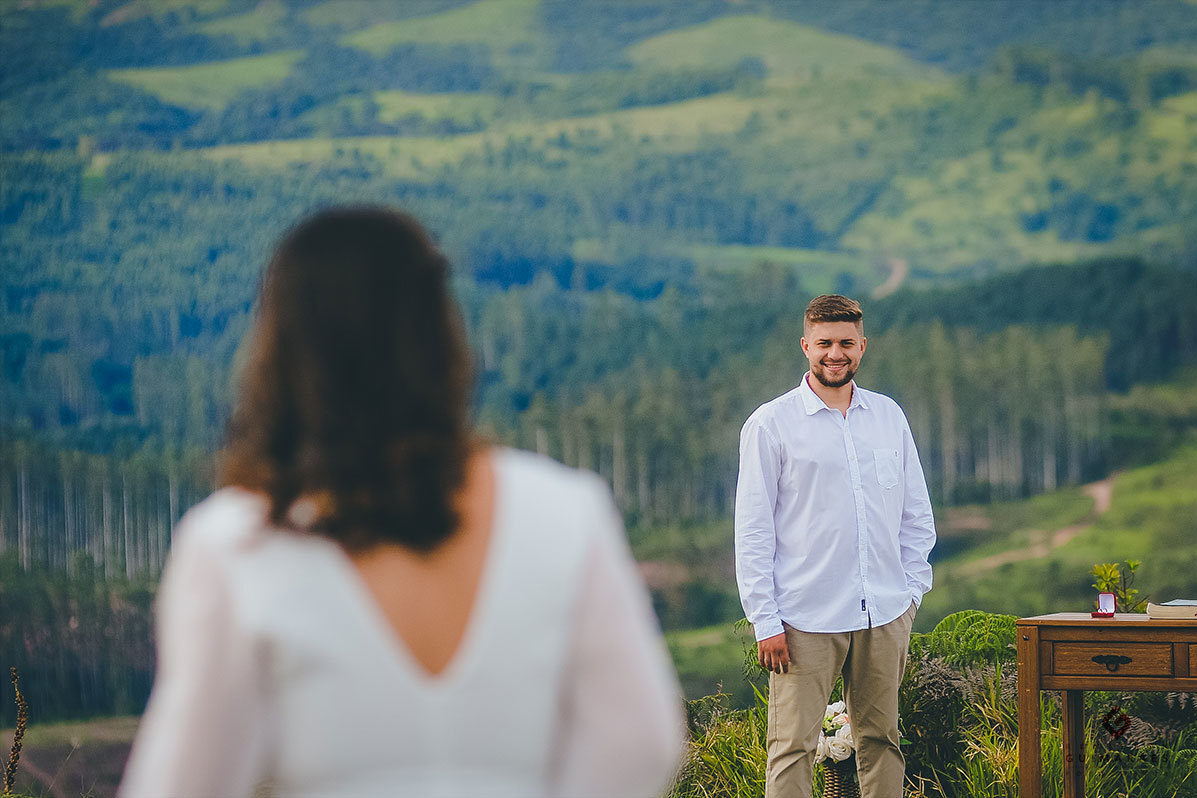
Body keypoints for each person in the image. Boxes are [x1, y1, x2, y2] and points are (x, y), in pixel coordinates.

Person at [118, 207, 684, 798]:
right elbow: (642, 741)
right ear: (440, 336)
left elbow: (183, 782)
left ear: (282, 350)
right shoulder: (566, 514)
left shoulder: (236, 545)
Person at [734, 294, 936, 798]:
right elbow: (753, 529)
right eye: (824, 343)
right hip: (803, 618)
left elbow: (916, 514)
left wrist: (911, 595)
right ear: (806, 346)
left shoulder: (889, 417)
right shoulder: (770, 424)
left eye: (846, 343)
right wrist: (765, 619)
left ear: (862, 347)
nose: (835, 353)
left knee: (882, 741)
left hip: (885, 613)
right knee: (791, 748)